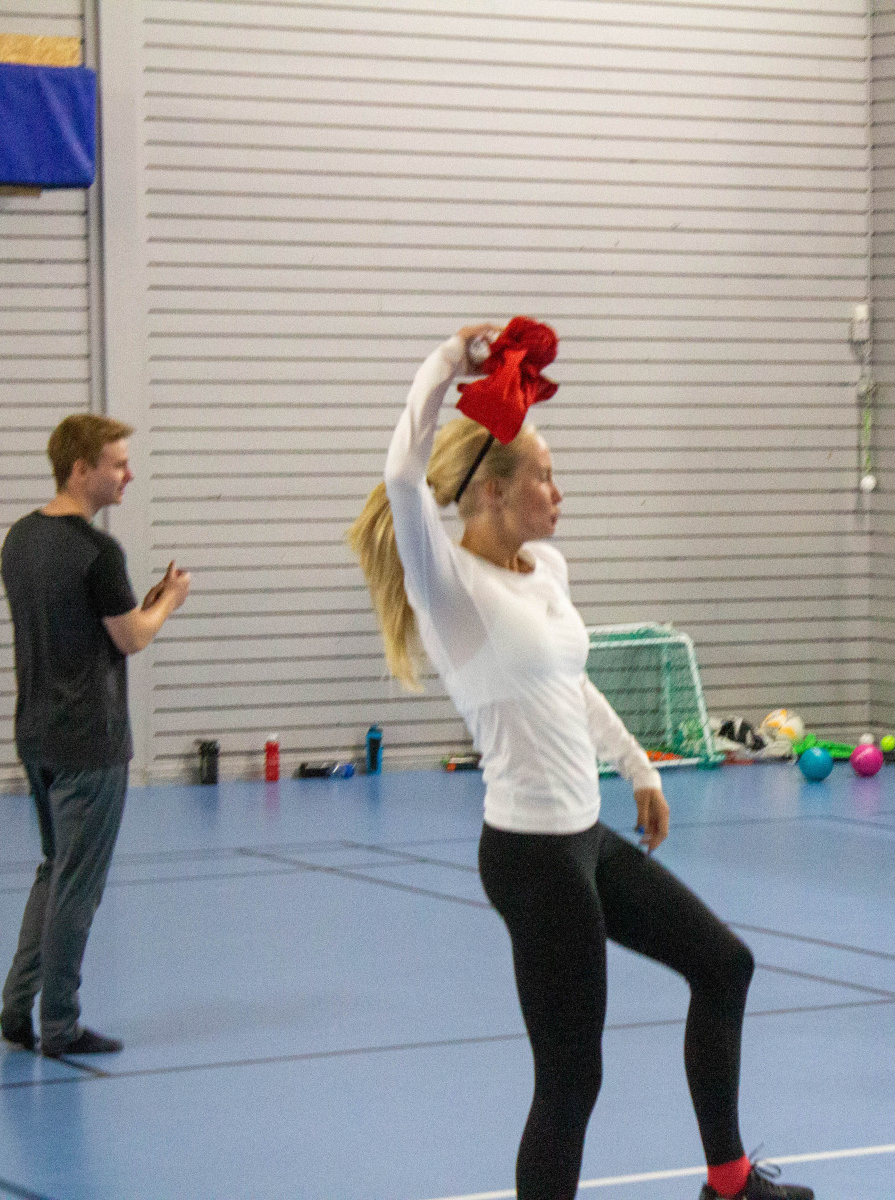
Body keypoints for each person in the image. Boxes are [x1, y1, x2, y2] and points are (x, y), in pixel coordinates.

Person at [347, 323, 812, 1200]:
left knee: (724, 966)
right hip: (530, 857)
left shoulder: (545, 569)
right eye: (544, 477)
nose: (559, 493)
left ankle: (730, 1182)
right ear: (491, 491)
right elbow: (403, 476)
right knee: (571, 1077)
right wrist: (449, 361)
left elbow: (571, 682)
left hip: (585, 838)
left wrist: (638, 765)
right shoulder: (449, 590)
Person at [0, 414, 191, 1057]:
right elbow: (130, 637)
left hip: (36, 733)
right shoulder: (98, 553)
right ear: (80, 469)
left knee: (55, 869)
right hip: (89, 741)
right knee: (77, 884)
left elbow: (77, 621)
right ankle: (59, 1023)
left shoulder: (20, 538)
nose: (128, 474)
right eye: (117, 463)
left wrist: (143, 602)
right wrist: (168, 602)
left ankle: (16, 1008)